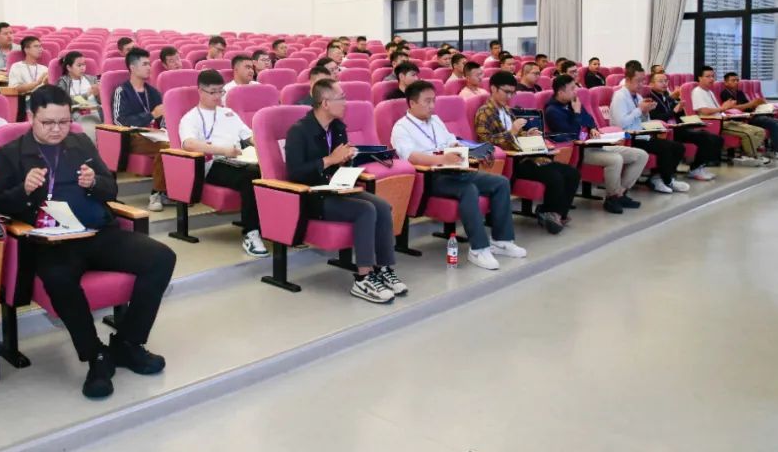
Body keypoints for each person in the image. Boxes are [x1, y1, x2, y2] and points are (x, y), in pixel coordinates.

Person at [0, 85, 176, 400]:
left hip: (97, 233)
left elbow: (111, 189)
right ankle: (95, 355)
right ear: (31, 117)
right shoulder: (11, 153)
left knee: (162, 257)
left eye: (64, 122)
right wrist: (24, 190)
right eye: (48, 123)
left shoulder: (80, 142)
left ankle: (128, 343)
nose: (57, 129)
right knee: (58, 277)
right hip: (53, 242)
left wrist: (93, 183)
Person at [285, 79, 406, 303]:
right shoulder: (298, 131)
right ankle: (363, 278)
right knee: (365, 210)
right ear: (325, 103)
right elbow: (295, 173)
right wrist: (330, 160)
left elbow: (339, 165)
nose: (345, 102)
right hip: (311, 195)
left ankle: (383, 268)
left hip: (338, 188)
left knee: (382, 206)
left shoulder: (338, 128)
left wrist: (346, 160)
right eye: (341, 98)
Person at [390, 80, 527, 268]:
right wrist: (442, 159)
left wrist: (468, 150)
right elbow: (410, 156)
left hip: (455, 170)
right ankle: (478, 249)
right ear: (412, 103)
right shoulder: (401, 127)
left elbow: (451, 141)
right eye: (427, 101)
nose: (432, 105)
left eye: (434, 100)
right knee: (468, 189)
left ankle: (501, 241)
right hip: (430, 177)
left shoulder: (435, 120)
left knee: (500, 183)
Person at [179, 70, 268, 258]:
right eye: (213, 92)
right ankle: (251, 234)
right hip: (214, 164)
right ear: (200, 91)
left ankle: (273, 227)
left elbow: (248, 136)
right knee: (251, 175)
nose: (218, 96)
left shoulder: (228, 113)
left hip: (238, 160)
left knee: (267, 171)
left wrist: (264, 145)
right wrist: (223, 150)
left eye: (221, 91)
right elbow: (188, 144)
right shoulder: (191, 117)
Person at [475, 72, 579, 233]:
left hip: (527, 155)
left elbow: (518, 134)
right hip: (513, 162)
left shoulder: (507, 110)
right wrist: (512, 132)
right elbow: (485, 141)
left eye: (512, 93)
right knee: (555, 177)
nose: (509, 96)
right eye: (506, 92)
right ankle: (548, 212)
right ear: (494, 89)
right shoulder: (484, 112)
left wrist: (527, 134)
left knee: (572, 173)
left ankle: (557, 213)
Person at [544, 74, 649, 214]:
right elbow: (571, 133)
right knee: (616, 159)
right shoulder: (552, 111)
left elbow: (589, 119)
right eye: (572, 89)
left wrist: (592, 128)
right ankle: (612, 197)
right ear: (560, 92)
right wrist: (576, 113)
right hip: (579, 150)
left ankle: (620, 193)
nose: (576, 91)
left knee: (641, 155)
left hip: (595, 144)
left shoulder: (573, 102)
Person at [610, 62, 690, 194]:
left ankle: (659, 178)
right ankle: (666, 180)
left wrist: (646, 112)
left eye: (643, 81)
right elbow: (621, 123)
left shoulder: (638, 96)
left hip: (642, 134)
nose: (642, 84)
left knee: (678, 147)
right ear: (628, 80)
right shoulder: (620, 96)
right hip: (628, 137)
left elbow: (643, 121)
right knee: (665, 148)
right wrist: (640, 110)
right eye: (638, 81)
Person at [111, 49, 170, 212]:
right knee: (166, 148)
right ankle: (156, 194)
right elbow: (119, 121)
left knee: (174, 145)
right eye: (145, 64)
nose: (149, 67)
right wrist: (150, 115)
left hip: (155, 136)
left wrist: (163, 128)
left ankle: (167, 191)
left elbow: (163, 117)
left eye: (149, 64)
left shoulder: (153, 92)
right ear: (132, 67)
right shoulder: (122, 91)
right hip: (132, 137)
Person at [646, 71, 720, 180]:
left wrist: (689, 118)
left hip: (678, 127)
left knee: (715, 138)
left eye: (666, 81)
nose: (664, 83)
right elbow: (655, 118)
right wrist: (675, 111)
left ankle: (700, 166)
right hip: (667, 131)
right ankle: (694, 169)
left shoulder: (667, 97)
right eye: (660, 81)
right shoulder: (650, 98)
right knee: (704, 138)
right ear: (651, 84)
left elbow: (677, 115)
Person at [690, 66, 769, 166]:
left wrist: (724, 112)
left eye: (713, 76)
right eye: (708, 76)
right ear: (700, 78)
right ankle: (752, 156)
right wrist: (723, 108)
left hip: (723, 120)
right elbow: (704, 111)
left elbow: (718, 110)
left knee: (760, 131)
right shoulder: (697, 92)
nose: (711, 79)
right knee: (748, 133)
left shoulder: (709, 92)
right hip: (713, 124)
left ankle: (745, 156)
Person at [720, 72, 778, 160]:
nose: (736, 82)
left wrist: (756, 105)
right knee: (775, 124)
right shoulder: (725, 93)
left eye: (737, 80)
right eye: (733, 80)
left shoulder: (740, 92)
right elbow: (731, 108)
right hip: (745, 118)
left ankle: (775, 149)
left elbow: (747, 105)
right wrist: (751, 104)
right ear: (726, 83)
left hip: (753, 114)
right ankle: (776, 151)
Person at [56, 51, 101, 124]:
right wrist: (87, 95)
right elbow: (63, 101)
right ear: (69, 68)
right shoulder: (63, 82)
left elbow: (101, 102)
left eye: (84, 65)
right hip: (75, 115)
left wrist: (100, 93)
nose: (83, 68)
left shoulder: (92, 79)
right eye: (79, 65)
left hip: (95, 112)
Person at [8, 36, 49, 102]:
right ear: (26, 49)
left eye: (40, 46)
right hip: (24, 101)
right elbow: (14, 89)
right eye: (36, 46)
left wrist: (47, 83)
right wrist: (37, 83)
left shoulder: (44, 68)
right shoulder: (17, 66)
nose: (40, 49)